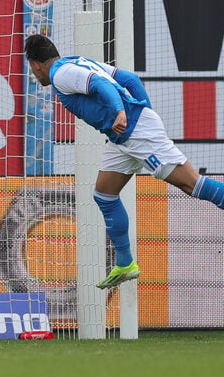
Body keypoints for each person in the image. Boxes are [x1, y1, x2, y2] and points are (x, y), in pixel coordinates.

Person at [24, 34, 224, 289]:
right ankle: (126, 262)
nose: (33, 73)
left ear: (36, 64)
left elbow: (100, 85)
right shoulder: (76, 61)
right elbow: (130, 79)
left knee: (191, 185)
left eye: (31, 67)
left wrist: (125, 114)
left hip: (135, 132)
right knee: (104, 194)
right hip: (122, 138)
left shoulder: (60, 75)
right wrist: (144, 113)